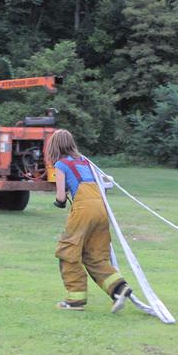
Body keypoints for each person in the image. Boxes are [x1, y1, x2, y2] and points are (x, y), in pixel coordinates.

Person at [47, 129, 132, 312]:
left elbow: (61, 196)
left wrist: (58, 203)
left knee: (67, 251)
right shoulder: (85, 162)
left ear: (54, 146)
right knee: (95, 255)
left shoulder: (61, 165)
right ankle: (119, 288)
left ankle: (75, 300)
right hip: (101, 209)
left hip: (84, 209)